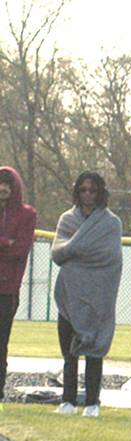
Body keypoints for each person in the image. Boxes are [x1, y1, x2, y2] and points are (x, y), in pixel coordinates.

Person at [51, 171, 123, 417]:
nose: (88, 195)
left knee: (94, 349)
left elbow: (110, 257)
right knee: (69, 352)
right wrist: (76, 248)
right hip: (70, 295)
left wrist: (75, 252)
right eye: (83, 190)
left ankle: (92, 402)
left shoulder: (111, 223)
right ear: (76, 191)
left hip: (98, 298)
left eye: (93, 190)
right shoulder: (66, 220)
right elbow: (58, 254)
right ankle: (68, 400)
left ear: (100, 192)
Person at [0, 165, 38, 401]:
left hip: (7, 290)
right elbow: (12, 248)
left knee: (1, 342)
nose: (3, 189)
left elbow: (20, 250)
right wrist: (6, 242)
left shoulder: (27, 215)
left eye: (7, 184)